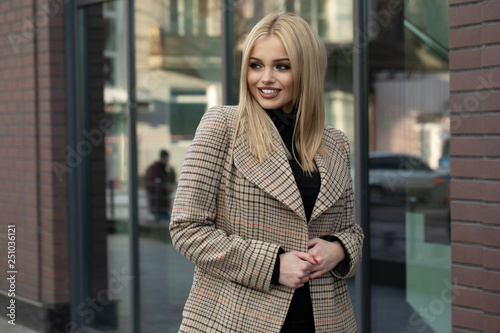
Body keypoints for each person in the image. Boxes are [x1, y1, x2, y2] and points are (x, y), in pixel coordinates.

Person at [169, 13, 363, 333]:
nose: (265, 78)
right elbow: (186, 229)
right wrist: (273, 265)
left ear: (307, 70)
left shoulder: (335, 142)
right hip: (237, 319)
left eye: (282, 66)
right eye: (256, 65)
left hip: (325, 320)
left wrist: (338, 249)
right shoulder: (223, 126)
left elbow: (350, 230)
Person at [145, 149, 176, 222]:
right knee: (163, 220)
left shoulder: (163, 169)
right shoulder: (156, 169)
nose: (167, 161)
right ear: (163, 158)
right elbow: (155, 185)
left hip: (161, 204)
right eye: (166, 158)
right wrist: (167, 188)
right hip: (158, 204)